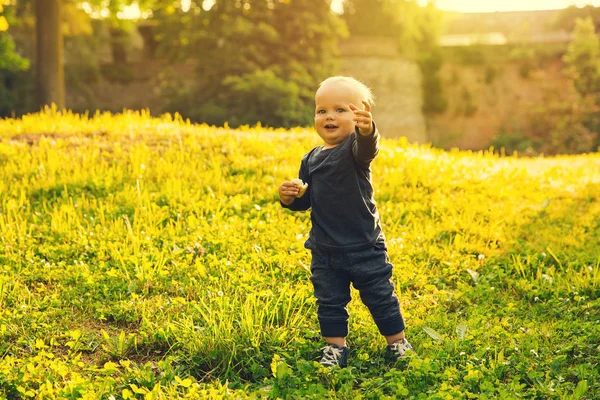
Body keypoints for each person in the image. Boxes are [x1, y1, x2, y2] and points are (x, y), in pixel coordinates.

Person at [278, 76, 413, 368]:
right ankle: (335, 348)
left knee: (379, 296)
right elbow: (306, 201)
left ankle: (397, 342)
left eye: (340, 110)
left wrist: (367, 130)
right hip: (325, 249)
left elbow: (368, 148)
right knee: (329, 301)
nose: (329, 116)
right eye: (322, 110)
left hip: (364, 244)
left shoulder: (354, 149)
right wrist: (290, 198)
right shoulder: (311, 159)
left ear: (358, 114)